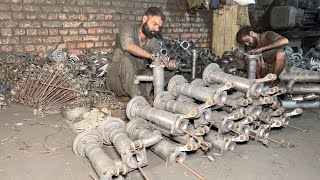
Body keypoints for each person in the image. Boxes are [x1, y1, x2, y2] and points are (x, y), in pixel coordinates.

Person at [106, 7, 176, 98]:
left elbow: (158, 58)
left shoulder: (153, 41)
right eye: (154, 24)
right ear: (145, 19)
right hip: (118, 82)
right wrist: (150, 55)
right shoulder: (128, 28)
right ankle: (138, 98)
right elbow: (128, 46)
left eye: (159, 27)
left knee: (168, 71)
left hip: (138, 81)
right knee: (126, 60)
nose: (157, 29)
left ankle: (142, 94)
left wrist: (168, 64)